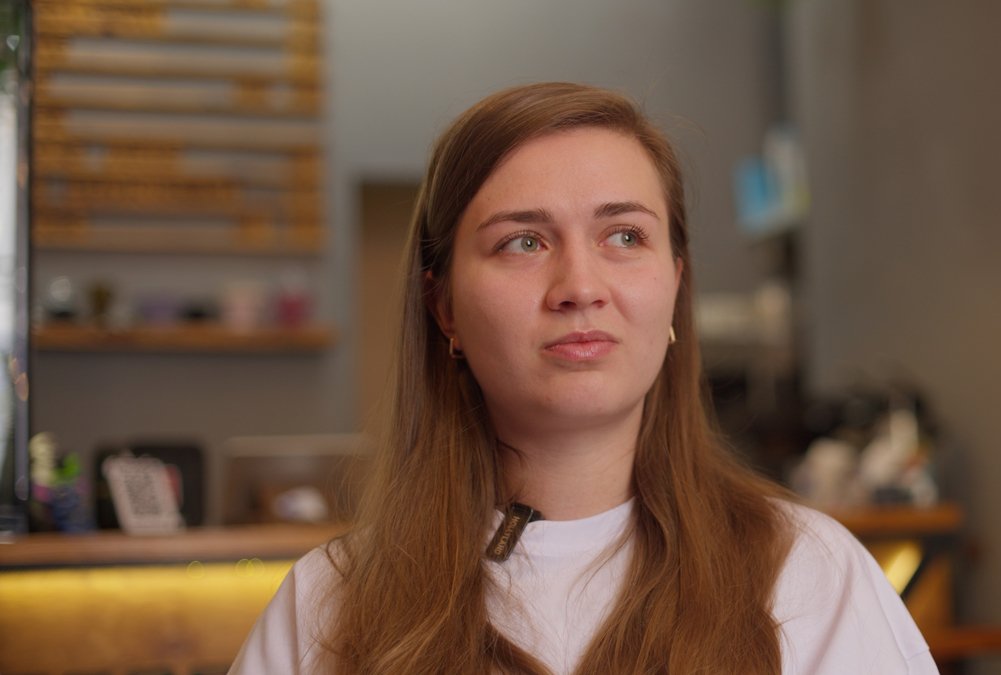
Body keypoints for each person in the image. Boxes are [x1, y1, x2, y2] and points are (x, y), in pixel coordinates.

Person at [229, 82, 937, 675]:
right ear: (443, 307)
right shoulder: (327, 607)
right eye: (523, 242)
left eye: (624, 236)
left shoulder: (808, 575)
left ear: (675, 287)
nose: (580, 286)